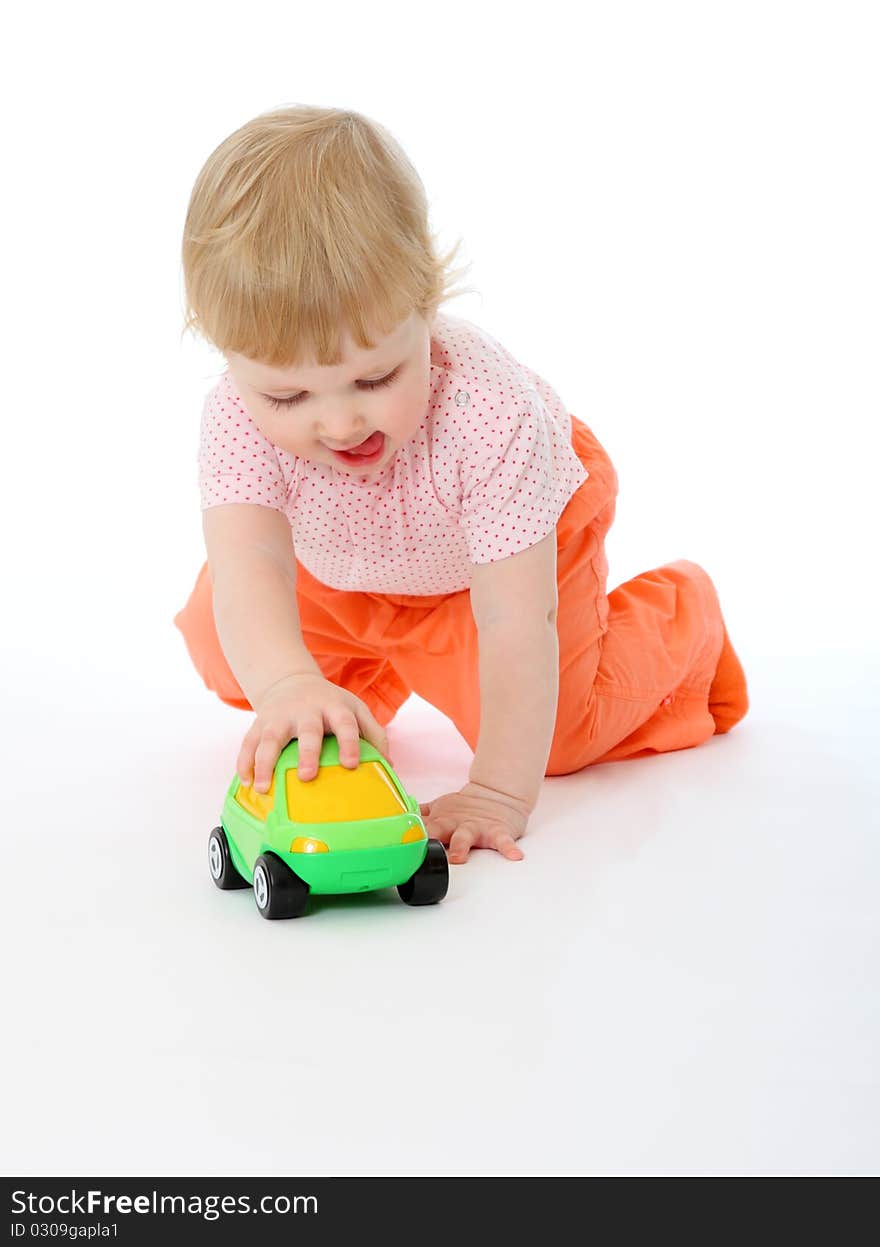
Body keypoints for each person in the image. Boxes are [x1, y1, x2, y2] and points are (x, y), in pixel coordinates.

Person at [174, 104, 749, 866]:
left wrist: (499, 791)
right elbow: (253, 563)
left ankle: (682, 621)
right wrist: (288, 683)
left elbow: (517, 621)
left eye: (374, 376)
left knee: (559, 732)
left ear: (428, 302)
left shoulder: (488, 414)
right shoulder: (234, 416)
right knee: (230, 639)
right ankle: (362, 685)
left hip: (502, 562)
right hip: (348, 566)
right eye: (289, 397)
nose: (341, 422)